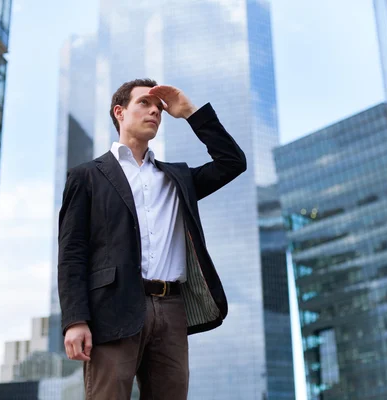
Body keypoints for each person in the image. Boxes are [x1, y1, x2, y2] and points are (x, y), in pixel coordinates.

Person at [57, 78, 246, 399]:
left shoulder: (177, 178)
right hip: (111, 307)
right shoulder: (87, 175)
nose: (155, 112)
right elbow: (72, 252)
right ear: (120, 112)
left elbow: (232, 163)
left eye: (159, 108)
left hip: (172, 308)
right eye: (144, 103)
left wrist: (190, 112)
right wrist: (75, 320)